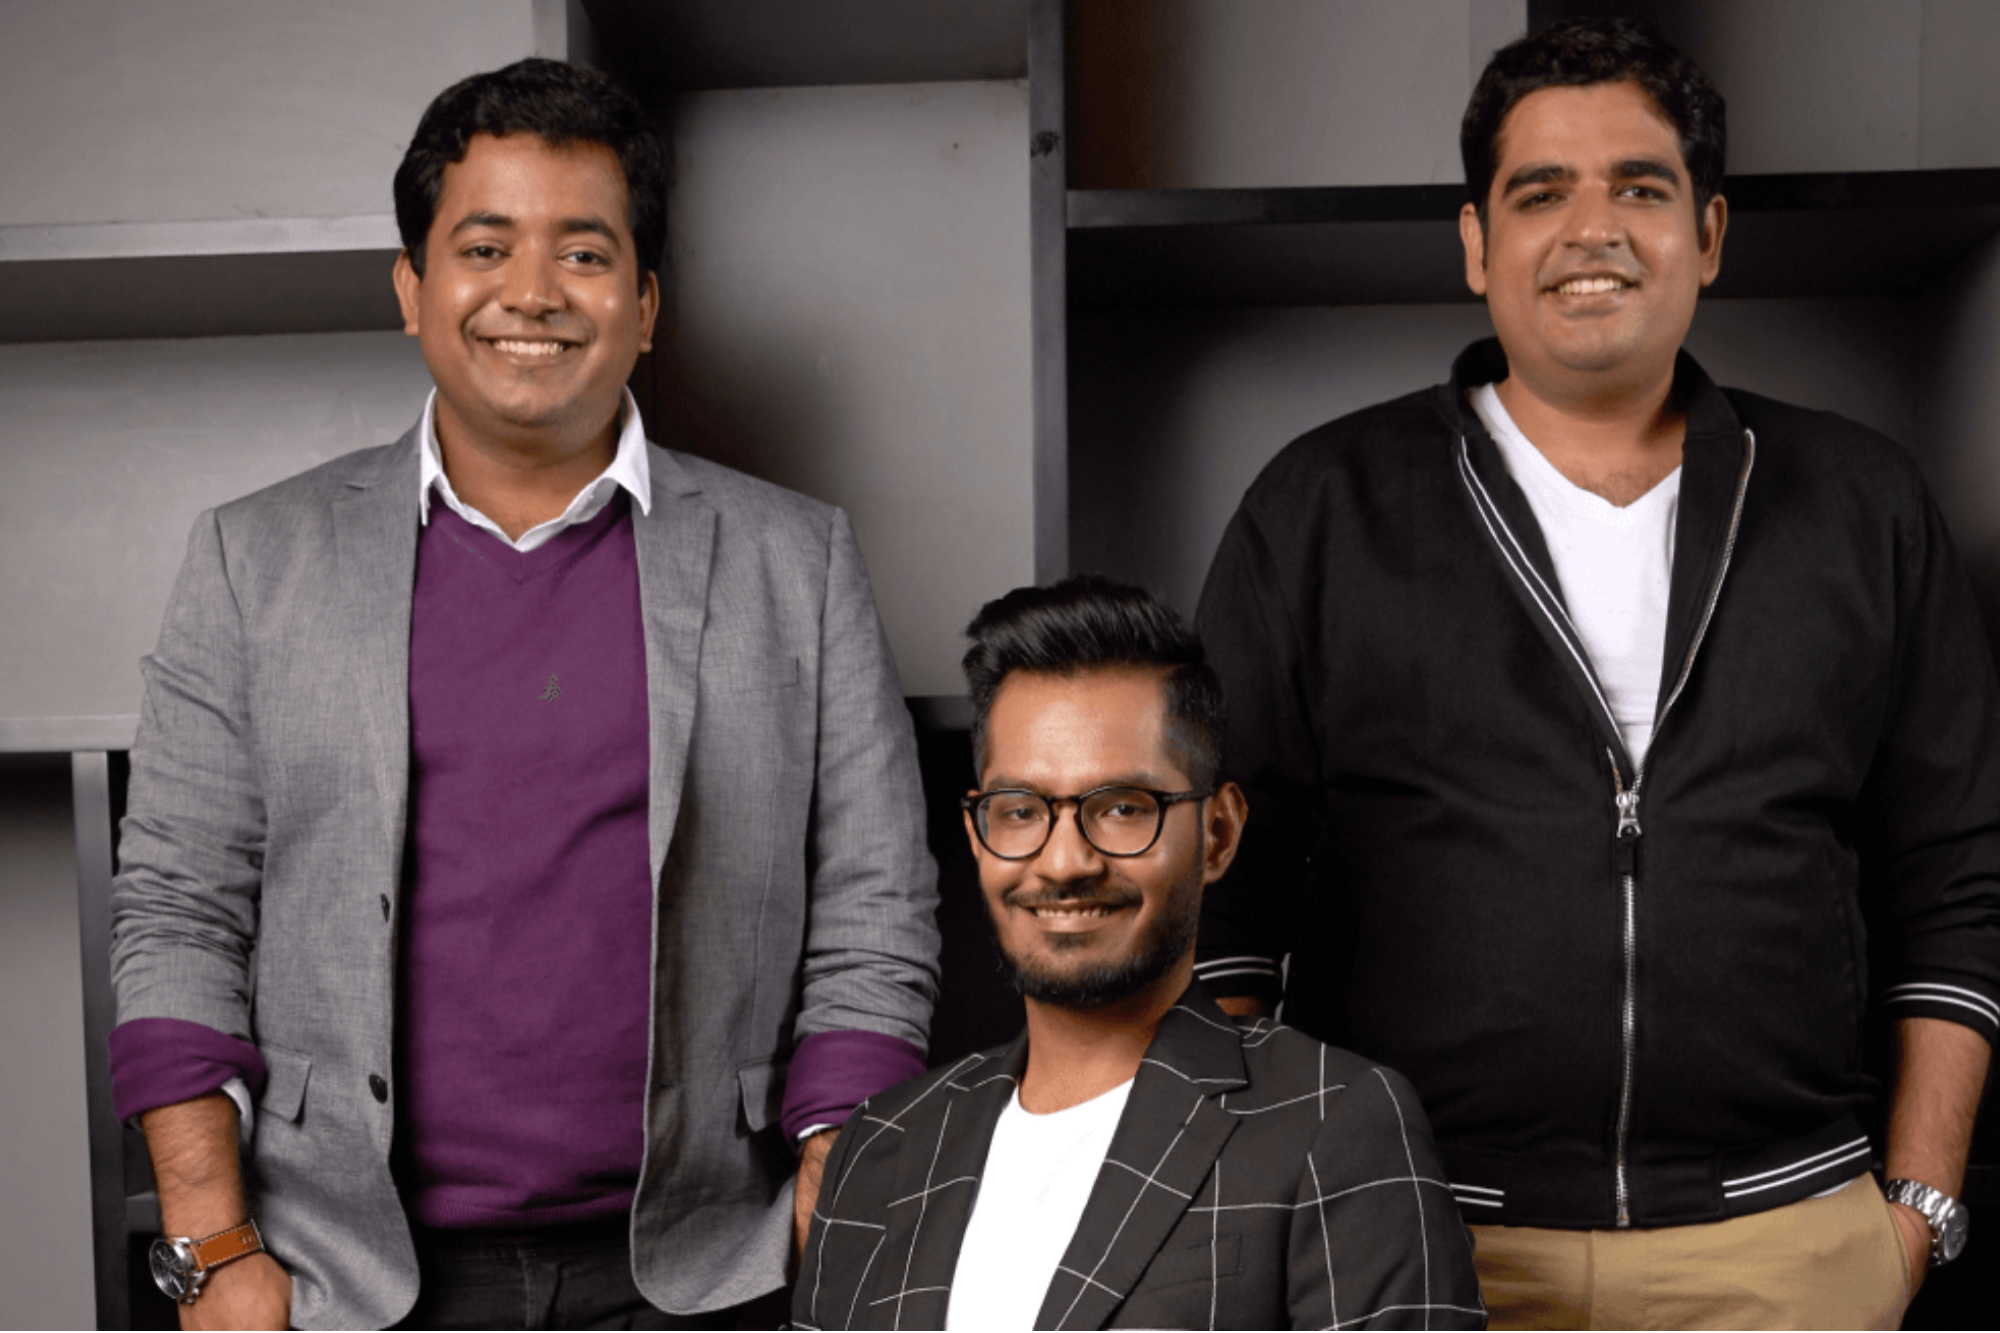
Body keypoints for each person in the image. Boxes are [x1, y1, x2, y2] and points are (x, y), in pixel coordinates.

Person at [1191, 17, 2000, 1330]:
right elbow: (1219, 888)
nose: (1593, 228)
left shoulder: (1861, 503)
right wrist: (1279, 1197)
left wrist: (1918, 1206)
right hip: (1409, 1236)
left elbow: (1957, 872)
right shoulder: (1323, 504)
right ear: (1477, 243)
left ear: (1711, 234)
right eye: (1541, 192)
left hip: (1787, 1247)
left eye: (1641, 186)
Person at [107, 58, 938, 1330]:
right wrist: (211, 1247)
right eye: (483, 245)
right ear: (412, 288)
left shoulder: (797, 558)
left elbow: (876, 905)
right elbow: (176, 908)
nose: (532, 294)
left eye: (585, 254)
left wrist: (838, 1187)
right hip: (342, 1280)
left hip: (716, 1272)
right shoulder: (251, 559)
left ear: (647, 304)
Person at [795, 578, 1483, 1331]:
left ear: (1217, 833)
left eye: (1123, 808)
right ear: (977, 834)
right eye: (1020, 810)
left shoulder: (1338, 1123)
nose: (1063, 861)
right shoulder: (879, 1147)